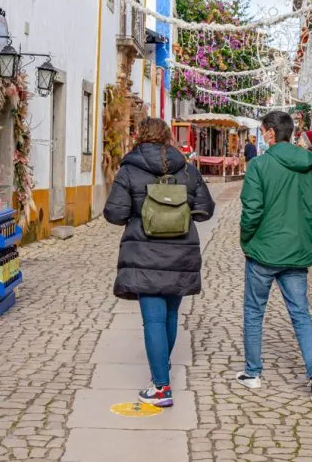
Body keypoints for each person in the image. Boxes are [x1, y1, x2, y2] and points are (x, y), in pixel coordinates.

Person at [104, 117, 215, 408]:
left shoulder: (129, 170)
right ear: (168, 137)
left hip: (144, 254)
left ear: (140, 136)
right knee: (169, 316)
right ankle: (161, 367)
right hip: (180, 253)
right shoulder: (187, 170)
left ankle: (162, 387)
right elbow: (205, 209)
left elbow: (114, 214)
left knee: (152, 318)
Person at [236, 110, 312, 402]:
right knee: (301, 314)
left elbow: (252, 211)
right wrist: (311, 243)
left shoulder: (259, 166)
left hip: (263, 253)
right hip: (297, 254)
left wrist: (247, 240)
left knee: (254, 312)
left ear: (269, 134)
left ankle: (253, 373)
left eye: (262, 131)